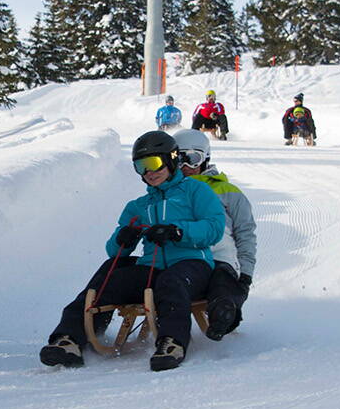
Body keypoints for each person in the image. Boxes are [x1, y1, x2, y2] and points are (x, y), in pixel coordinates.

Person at [41, 130, 226, 371]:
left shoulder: (195, 191)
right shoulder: (138, 206)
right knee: (110, 278)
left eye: (154, 163)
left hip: (193, 265)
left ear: (171, 160)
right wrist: (124, 239)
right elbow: (112, 251)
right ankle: (70, 339)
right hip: (152, 268)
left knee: (172, 282)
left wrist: (177, 231)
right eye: (141, 166)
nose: (149, 172)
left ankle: (172, 342)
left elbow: (214, 227)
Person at [173, 129, 255, 340]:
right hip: (183, 259)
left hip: (219, 257)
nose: (185, 167)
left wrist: (245, 274)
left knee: (222, 277)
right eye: (178, 159)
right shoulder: (168, 192)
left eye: (192, 159)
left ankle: (224, 311)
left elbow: (245, 233)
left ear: (205, 159)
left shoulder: (228, 191)